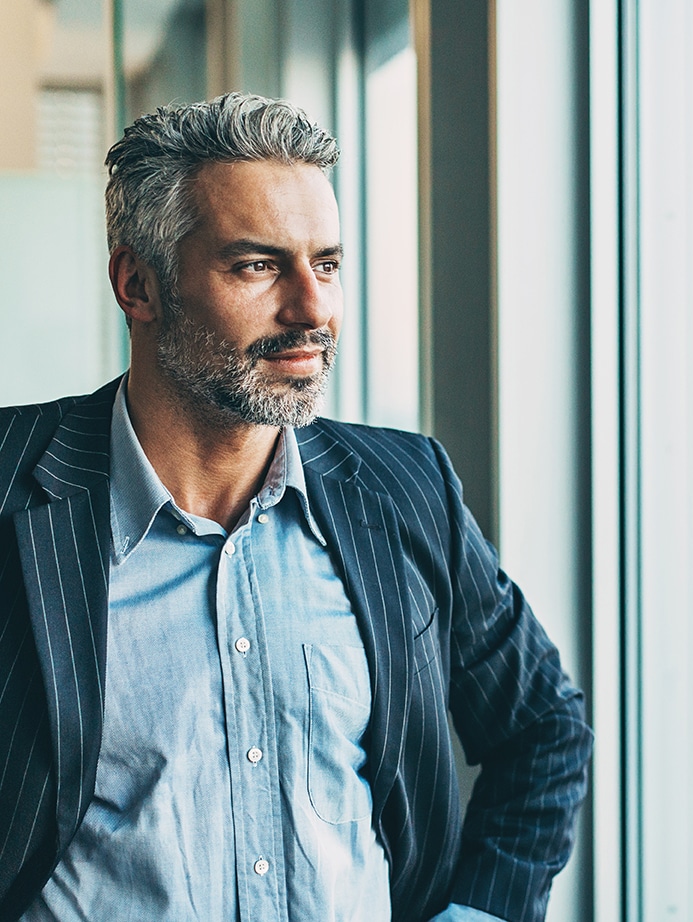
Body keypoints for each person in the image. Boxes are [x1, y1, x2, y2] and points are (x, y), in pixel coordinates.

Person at [0, 93, 591, 922]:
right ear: (138, 284)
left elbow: (542, 729)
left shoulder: (406, 487)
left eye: (329, 263)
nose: (312, 309)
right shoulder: (11, 488)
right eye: (257, 266)